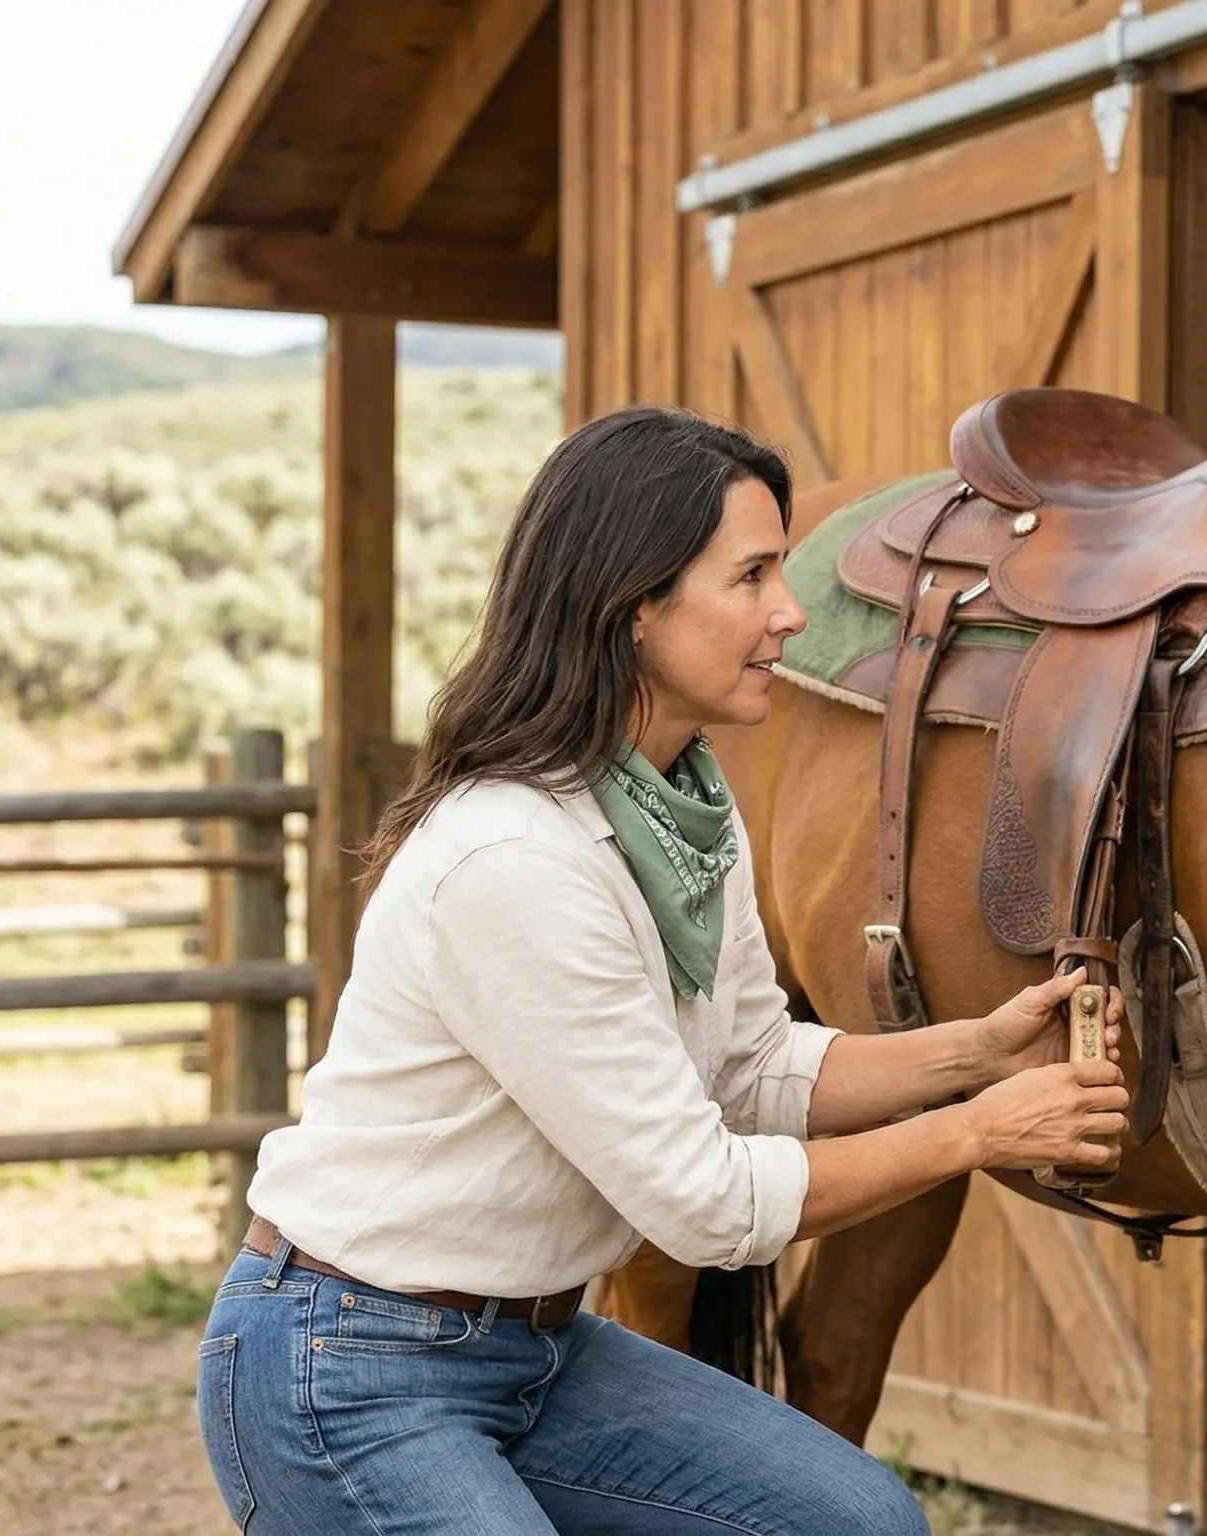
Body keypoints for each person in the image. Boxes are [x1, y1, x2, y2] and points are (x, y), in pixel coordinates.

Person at [195, 406, 1130, 1535]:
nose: (790, 614)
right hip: (343, 1367)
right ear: (634, 607)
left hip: (533, 1350)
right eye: (751, 578)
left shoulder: (681, 808)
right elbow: (706, 1206)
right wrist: (979, 1132)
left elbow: (750, 1065)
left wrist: (978, 1053)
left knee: (863, 1524)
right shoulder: (514, 861)